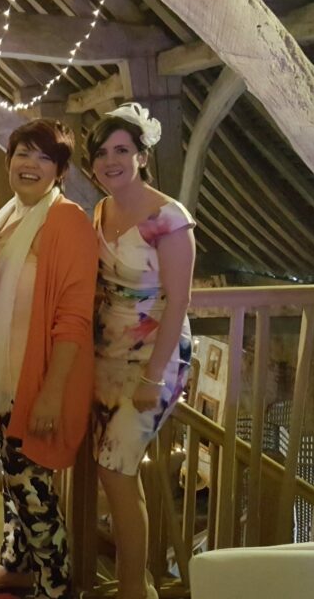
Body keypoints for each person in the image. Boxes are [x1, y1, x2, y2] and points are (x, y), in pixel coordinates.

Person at [0, 119, 98, 599]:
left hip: (38, 380)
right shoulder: (6, 217)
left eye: (44, 157)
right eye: (23, 153)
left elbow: (73, 317)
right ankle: (16, 565)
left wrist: (50, 392)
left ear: (60, 170)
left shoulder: (67, 221)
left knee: (33, 491)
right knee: (13, 483)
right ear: (9, 160)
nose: (30, 164)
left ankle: (56, 585)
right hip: (1, 375)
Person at [86, 103, 195, 599]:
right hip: (104, 350)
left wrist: (154, 376)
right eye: (103, 152)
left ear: (142, 156)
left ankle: (135, 588)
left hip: (155, 351)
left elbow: (178, 301)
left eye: (122, 150)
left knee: (117, 466)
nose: (111, 160)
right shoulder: (100, 209)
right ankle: (136, 581)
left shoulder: (169, 218)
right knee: (110, 468)